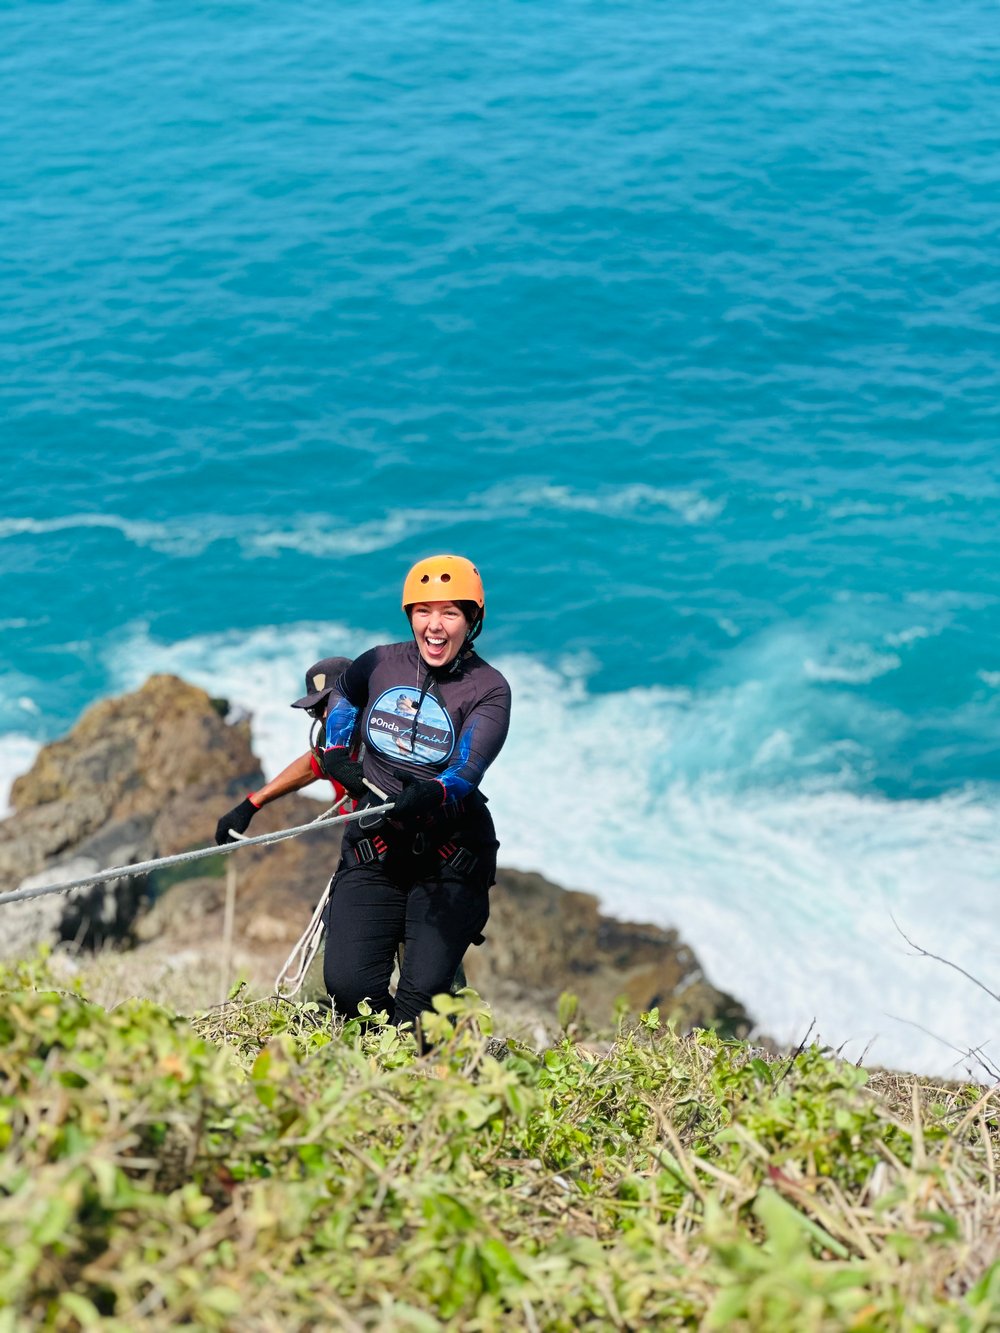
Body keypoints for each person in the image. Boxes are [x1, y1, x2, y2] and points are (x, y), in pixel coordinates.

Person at [317, 554, 511, 1035]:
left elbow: (467, 770)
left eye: (450, 613)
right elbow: (344, 691)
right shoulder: (382, 661)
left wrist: (431, 792)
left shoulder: (489, 689)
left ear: (473, 620)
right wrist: (339, 749)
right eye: (424, 612)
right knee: (348, 989)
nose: (435, 626)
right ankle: (377, 1074)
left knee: (419, 1009)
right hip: (376, 849)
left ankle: (417, 1075)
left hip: (448, 860)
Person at [214, 656, 355, 846]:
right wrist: (251, 804)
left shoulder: (385, 735)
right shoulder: (327, 740)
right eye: (315, 708)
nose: (324, 714)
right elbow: (311, 766)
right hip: (359, 843)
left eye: (331, 702)